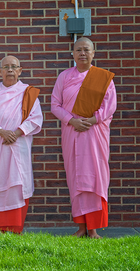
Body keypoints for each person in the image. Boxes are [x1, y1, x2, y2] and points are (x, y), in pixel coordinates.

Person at [51, 37, 117, 239]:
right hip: (72, 132)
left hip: (95, 133)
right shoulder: (64, 77)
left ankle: (94, 229)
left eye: (86, 50)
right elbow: (55, 105)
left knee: (96, 176)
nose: (82, 53)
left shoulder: (103, 78)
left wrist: (92, 120)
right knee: (75, 177)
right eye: (78, 50)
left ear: (93, 53)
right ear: (72, 53)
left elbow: (110, 106)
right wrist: (72, 121)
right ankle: (81, 228)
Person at [0, 55, 43, 234]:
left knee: (17, 185)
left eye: (14, 67)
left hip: (19, 145)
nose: (10, 70)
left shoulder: (28, 93)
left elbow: (36, 118)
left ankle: (16, 228)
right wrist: (2, 132)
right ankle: (1, 228)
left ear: (20, 70)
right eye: (6, 67)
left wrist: (16, 133)